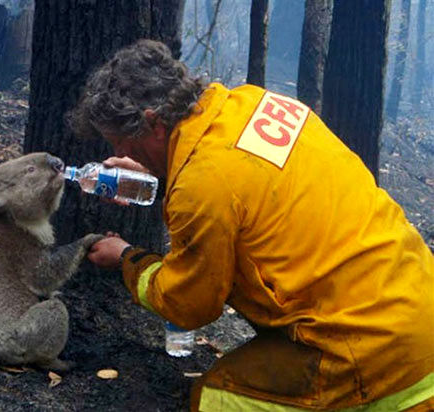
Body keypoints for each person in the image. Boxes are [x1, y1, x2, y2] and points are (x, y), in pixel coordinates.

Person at [73, 39, 434, 411]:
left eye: (124, 144)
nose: (122, 155)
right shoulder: (252, 104)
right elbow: (239, 187)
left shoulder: (204, 184)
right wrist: (158, 175)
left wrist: (128, 259)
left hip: (374, 354)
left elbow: (188, 305)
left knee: (217, 399)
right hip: (418, 305)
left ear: (153, 124)